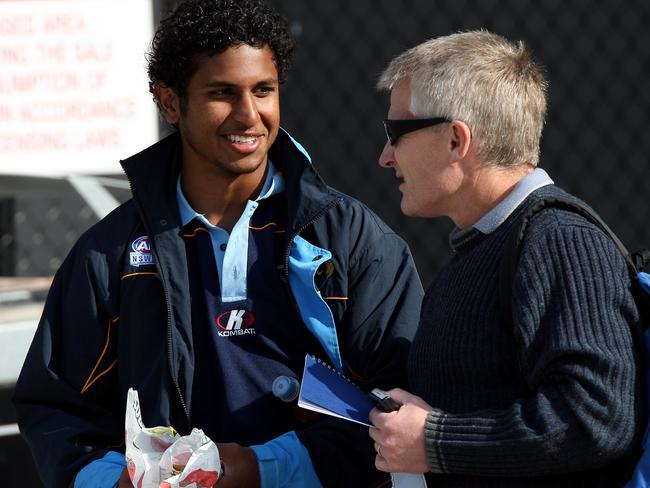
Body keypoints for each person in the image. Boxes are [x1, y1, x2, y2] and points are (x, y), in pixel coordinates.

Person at [12, 1, 424, 487]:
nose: (249, 115)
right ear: (169, 101)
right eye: (222, 93)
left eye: (263, 90)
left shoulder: (351, 239)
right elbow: (58, 407)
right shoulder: (111, 253)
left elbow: (398, 399)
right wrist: (115, 480)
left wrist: (260, 469)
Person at [368, 30, 643, 487]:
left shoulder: (559, 242)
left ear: (456, 140)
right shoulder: (487, 246)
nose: (385, 156)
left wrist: (436, 440)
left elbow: (598, 418)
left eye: (395, 132)